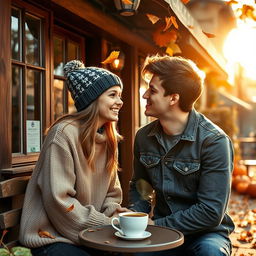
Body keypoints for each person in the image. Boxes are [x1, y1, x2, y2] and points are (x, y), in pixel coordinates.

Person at [19, 60, 128, 256]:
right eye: (113, 95)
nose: (120, 102)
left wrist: (116, 215)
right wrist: (107, 223)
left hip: (93, 234)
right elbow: (59, 201)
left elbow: (113, 193)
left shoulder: (109, 138)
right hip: (52, 237)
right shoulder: (63, 134)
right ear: (92, 100)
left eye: (120, 96)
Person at [129, 55, 235, 256]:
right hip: (159, 231)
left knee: (210, 254)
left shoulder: (214, 142)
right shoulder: (143, 137)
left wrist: (157, 225)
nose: (145, 96)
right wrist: (136, 217)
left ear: (173, 98)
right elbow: (141, 185)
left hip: (207, 234)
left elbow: (211, 212)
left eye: (152, 91)